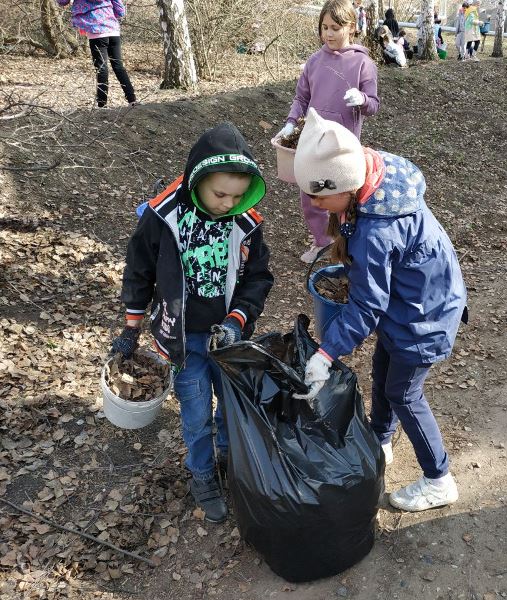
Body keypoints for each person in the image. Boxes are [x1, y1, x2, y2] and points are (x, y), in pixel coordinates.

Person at [292, 108, 467, 512]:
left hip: (424, 314)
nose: (315, 204)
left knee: (404, 393)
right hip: (406, 304)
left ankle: (439, 478)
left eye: (319, 196)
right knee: (384, 371)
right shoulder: (372, 177)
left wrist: (325, 354)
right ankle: (381, 439)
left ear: (345, 186)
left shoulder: (378, 230)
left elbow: (368, 304)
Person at [111, 122, 273, 523]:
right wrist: (132, 325)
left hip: (228, 339)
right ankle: (202, 473)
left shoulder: (245, 222)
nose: (226, 203)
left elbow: (258, 276)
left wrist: (238, 319)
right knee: (196, 412)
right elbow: (138, 269)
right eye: (220, 194)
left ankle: (225, 456)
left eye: (236, 195)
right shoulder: (162, 216)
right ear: (197, 179)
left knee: (231, 406)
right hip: (182, 339)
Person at [278, 0, 379, 263]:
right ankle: (322, 242)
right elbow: (301, 98)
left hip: (342, 149)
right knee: (311, 196)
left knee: (340, 198)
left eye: (335, 27)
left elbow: (373, 104)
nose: (329, 34)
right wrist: (291, 122)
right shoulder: (314, 61)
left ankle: (346, 246)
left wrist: (362, 99)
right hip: (311, 144)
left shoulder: (362, 63)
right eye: (324, 27)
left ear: (351, 28)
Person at [57, 0, 137, 108]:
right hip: (113, 29)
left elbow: (62, 2)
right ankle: (132, 100)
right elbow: (120, 10)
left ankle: (102, 104)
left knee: (101, 68)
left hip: (96, 32)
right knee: (118, 66)